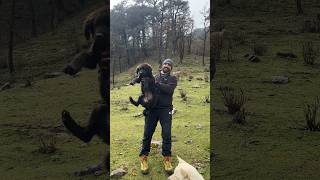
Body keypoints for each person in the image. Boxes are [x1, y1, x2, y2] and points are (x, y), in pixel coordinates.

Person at [139, 59, 178, 174]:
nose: (167, 66)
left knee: (166, 134)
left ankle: (167, 158)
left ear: (171, 68)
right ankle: (144, 158)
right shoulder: (153, 76)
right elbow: (146, 92)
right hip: (152, 109)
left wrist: (155, 83)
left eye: (169, 65)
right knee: (147, 133)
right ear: (161, 66)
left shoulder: (172, 79)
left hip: (166, 109)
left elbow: (169, 90)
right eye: (165, 64)